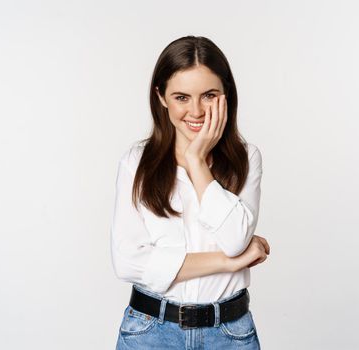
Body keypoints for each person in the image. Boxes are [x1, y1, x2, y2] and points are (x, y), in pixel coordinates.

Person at [110, 35, 270, 349]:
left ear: (226, 95)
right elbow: (128, 262)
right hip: (149, 333)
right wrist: (228, 263)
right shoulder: (135, 163)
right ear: (161, 97)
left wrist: (197, 160)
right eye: (182, 97)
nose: (196, 111)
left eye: (209, 95)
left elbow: (236, 239)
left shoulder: (247, 158)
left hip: (228, 334)